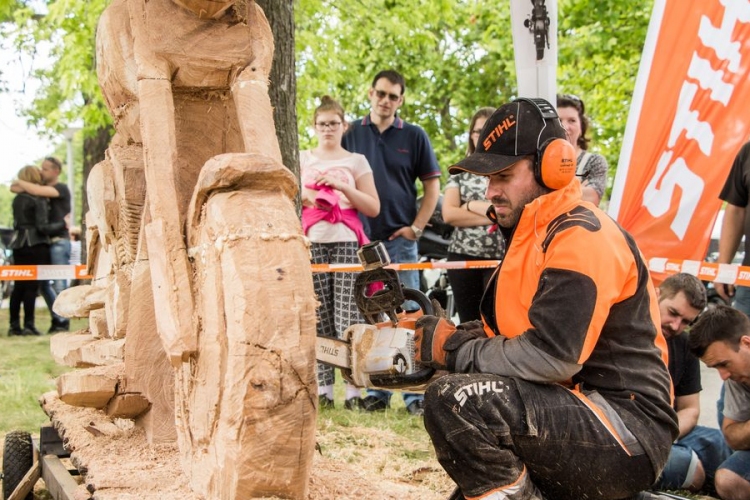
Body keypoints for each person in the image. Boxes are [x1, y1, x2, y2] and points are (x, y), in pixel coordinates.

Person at [413, 97, 678, 499]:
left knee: (457, 400)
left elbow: (552, 356)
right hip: (573, 406)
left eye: (503, 176)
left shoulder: (582, 234)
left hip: (625, 426)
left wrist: (453, 351)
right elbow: (505, 334)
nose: (491, 191)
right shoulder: (530, 235)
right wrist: (440, 338)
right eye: (488, 179)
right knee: (479, 486)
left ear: (552, 165)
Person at [342, 69, 441, 416]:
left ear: (401, 100)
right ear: (371, 93)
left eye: (393, 96)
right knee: (373, 317)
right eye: (381, 94)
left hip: (400, 242)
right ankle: (378, 392)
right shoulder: (350, 132)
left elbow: (432, 187)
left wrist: (417, 226)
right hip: (361, 241)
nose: (386, 101)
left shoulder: (414, 136)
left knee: (409, 316)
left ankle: (415, 394)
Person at [300, 95, 380, 410]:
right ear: (314, 126)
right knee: (319, 315)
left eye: (334, 123)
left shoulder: (356, 160)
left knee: (348, 314)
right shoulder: (304, 157)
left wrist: (340, 186)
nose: (328, 129)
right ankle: (323, 390)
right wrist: (308, 194)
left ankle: (353, 392)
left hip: (346, 240)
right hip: (312, 240)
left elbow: (372, 206)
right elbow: (292, 194)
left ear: (344, 125)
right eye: (323, 124)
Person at [652, 273, 730, 495]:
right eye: (673, 313)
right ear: (656, 295)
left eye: (687, 321)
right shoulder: (626, 334)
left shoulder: (683, 344)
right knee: (688, 464)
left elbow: (690, 408)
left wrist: (667, 436)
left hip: (670, 432)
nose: (677, 326)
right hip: (632, 437)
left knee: (720, 443)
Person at [441, 107, 505, 323]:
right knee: (469, 324)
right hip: (462, 257)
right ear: (470, 134)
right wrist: (492, 214)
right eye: (477, 131)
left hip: (501, 258)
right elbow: (449, 214)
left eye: (488, 130)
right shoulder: (460, 169)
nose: (482, 136)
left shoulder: (510, 168)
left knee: (498, 322)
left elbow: (511, 212)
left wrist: (468, 205)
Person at [689, 304, 750, 500]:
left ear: (746, 343)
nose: (722, 376)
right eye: (715, 367)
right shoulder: (738, 377)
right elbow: (732, 435)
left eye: (724, 364)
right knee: (727, 480)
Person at [12, 156, 71, 333]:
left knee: (58, 283)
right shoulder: (37, 193)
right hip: (42, 241)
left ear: (55, 171)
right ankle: (56, 319)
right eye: (39, 170)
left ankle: (62, 320)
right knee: (41, 284)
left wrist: (22, 180)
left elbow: (31, 190)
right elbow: (14, 187)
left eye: (45, 169)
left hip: (58, 240)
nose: (41, 171)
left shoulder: (58, 188)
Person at [715, 140, 750, 313]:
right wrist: (723, 265)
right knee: (742, 337)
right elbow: (736, 210)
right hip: (748, 279)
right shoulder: (748, 151)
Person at [556, 94, 608, 206]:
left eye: (572, 120)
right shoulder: (539, 160)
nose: (565, 126)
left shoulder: (594, 162)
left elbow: (592, 198)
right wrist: (577, 190)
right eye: (559, 120)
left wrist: (549, 192)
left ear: (581, 127)